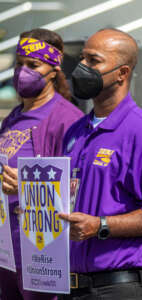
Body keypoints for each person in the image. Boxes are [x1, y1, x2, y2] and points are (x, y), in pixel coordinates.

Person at [57, 28, 142, 300]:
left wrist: (100, 225)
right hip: (70, 286)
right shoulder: (76, 130)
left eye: (94, 61)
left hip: (115, 288)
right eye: (82, 59)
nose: (82, 68)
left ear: (122, 73)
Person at [0, 28, 83, 300]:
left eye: (33, 65)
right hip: (7, 251)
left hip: (40, 251)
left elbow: (75, 188)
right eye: (20, 63)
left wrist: (24, 188)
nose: (23, 71)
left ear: (54, 69)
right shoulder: (13, 117)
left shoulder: (66, 118)